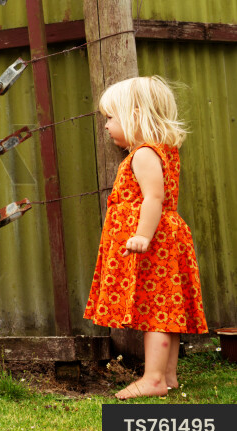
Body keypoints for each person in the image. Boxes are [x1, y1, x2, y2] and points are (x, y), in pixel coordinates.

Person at [84, 76, 207, 400]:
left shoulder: (144, 154)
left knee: (156, 312)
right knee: (166, 311)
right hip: (165, 240)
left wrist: (141, 235)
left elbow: (153, 197)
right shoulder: (162, 150)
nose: (107, 125)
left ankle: (153, 378)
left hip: (155, 243)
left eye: (111, 117)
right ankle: (167, 376)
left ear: (135, 115)